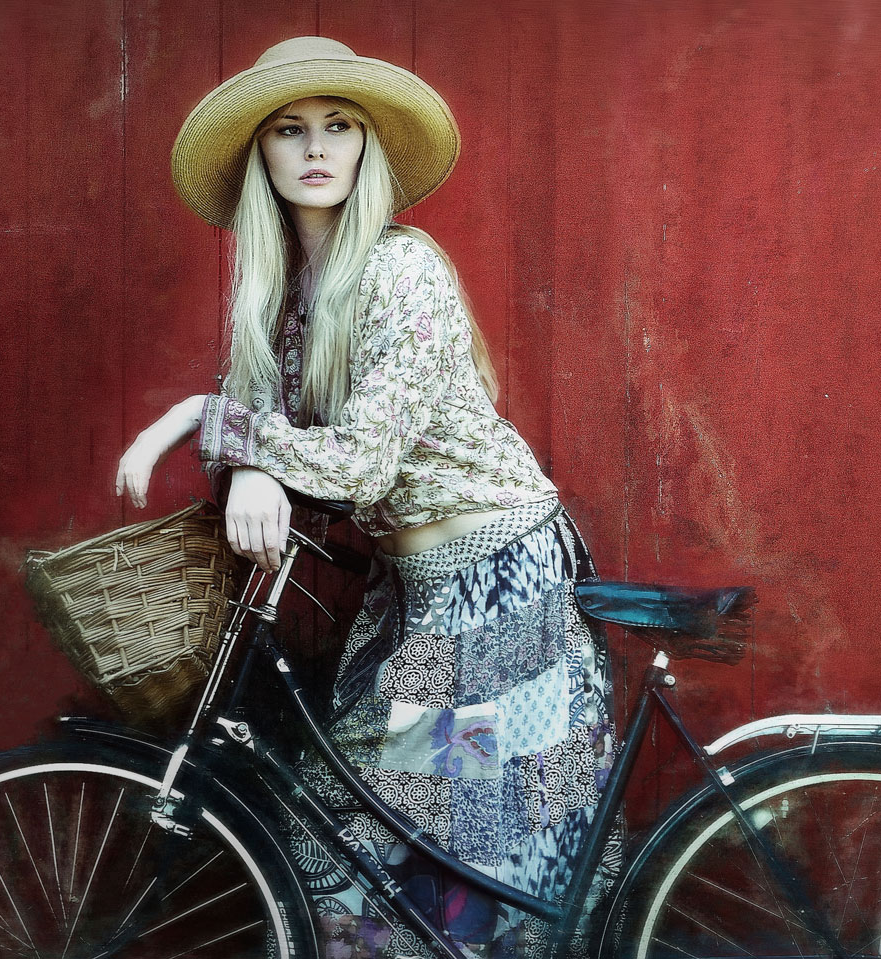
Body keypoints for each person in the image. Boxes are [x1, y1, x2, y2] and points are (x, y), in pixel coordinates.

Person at [115, 36, 617, 959]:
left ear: (365, 149)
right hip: (419, 591)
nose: (316, 147)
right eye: (289, 129)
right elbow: (273, 433)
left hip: (499, 587)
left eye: (339, 125)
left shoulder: (402, 268)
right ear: (261, 157)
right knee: (375, 815)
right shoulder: (278, 300)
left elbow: (356, 467)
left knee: (467, 837)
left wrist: (200, 416)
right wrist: (254, 465)